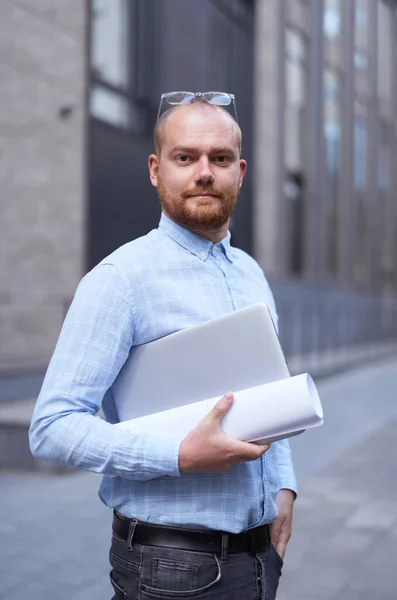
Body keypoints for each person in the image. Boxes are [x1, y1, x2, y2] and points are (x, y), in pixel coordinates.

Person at [29, 91, 297, 600]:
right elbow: (51, 427)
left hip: (259, 560)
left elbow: (268, 394)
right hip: (171, 568)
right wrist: (178, 454)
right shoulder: (120, 280)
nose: (204, 172)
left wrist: (283, 485)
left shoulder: (252, 274)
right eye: (185, 157)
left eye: (219, 159)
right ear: (156, 170)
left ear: (240, 172)